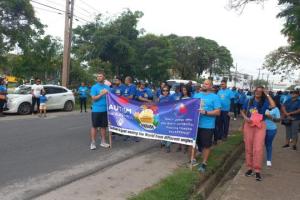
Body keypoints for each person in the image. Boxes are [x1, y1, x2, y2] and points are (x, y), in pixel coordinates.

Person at [241, 86, 276, 181]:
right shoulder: (249, 100)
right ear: (254, 91)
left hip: (260, 126)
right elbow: (242, 111)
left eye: (260, 91)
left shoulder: (265, 102)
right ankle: (249, 168)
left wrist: (267, 94)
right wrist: (245, 118)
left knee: (258, 148)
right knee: (248, 147)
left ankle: (257, 170)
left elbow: (273, 106)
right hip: (249, 125)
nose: (258, 92)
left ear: (263, 93)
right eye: (257, 91)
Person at [193, 79, 221, 172]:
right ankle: (192, 160)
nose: (204, 85)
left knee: (206, 145)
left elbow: (218, 112)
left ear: (211, 86)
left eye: (207, 84)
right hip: (196, 124)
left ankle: (204, 163)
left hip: (207, 125)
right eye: (203, 83)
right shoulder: (197, 95)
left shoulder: (215, 97)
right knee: (194, 143)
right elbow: (191, 107)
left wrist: (205, 112)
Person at [89, 72, 111, 150]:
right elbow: (93, 98)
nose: (99, 77)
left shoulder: (107, 87)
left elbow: (112, 98)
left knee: (103, 127)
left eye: (100, 76)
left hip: (105, 110)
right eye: (98, 76)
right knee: (94, 126)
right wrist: (102, 94)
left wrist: (108, 93)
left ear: (104, 78)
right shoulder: (94, 87)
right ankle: (93, 143)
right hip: (96, 110)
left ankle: (103, 142)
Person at [158, 85, 173, 152]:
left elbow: (174, 106)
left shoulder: (171, 97)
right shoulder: (160, 97)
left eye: (167, 90)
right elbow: (157, 106)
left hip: (169, 117)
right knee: (162, 130)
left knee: (168, 131)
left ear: (168, 91)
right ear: (162, 91)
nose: (165, 92)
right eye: (164, 90)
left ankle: (168, 145)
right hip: (161, 116)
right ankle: (162, 142)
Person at [177, 85, 191, 154]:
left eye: (185, 90)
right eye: (183, 90)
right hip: (180, 117)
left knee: (185, 132)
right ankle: (179, 146)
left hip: (186, 117)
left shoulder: (190, 98)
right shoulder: (180, 98)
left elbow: (190, 108)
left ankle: (186, 146)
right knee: (179, 131)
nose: (184, 91)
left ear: (187, 90)